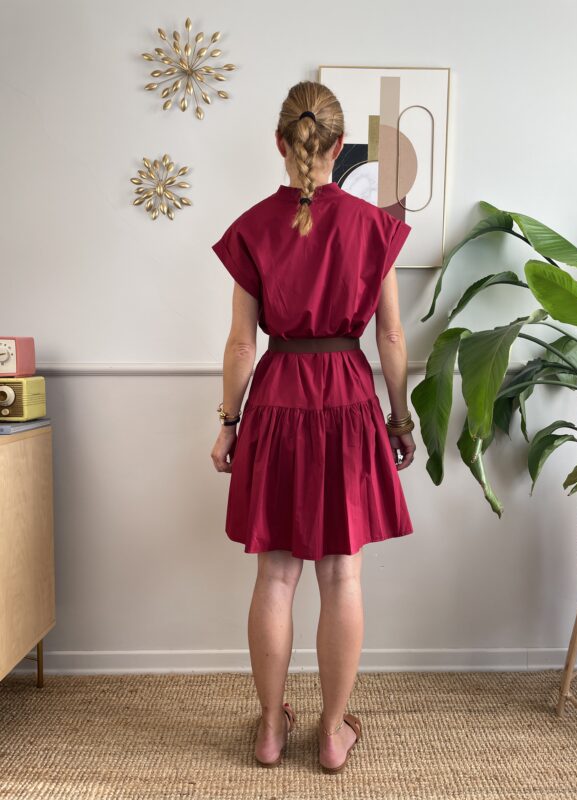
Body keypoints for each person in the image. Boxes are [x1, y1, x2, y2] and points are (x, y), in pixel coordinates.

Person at [210, 80, 416, 773]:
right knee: (341, 574)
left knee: (275, 575)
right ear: (338, 145)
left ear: (281, 142)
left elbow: (241, 345)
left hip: (277, 399)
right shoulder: (372, 226)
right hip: (349, 400)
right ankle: (331, 734)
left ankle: (271, 730)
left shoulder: (253, 227)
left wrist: (228, 423)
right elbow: (391, 338)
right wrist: (400, 417)